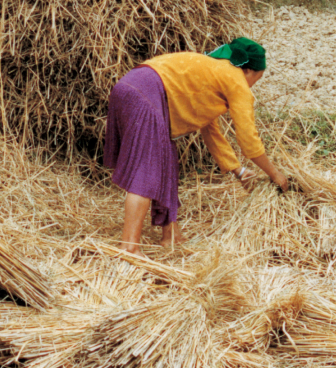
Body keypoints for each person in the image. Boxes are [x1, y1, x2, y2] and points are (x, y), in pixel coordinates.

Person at [103, 36, 288, 252]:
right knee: (146, 172)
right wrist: (275, 174)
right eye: (259, 77)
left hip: (129, 85)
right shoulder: (236, 80)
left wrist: (238, 171)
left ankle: (171, 235)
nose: (254, 84)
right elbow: (248, 139)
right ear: (249, 70)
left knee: (165, 159)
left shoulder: (212, 70)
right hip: (146, 94)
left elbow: (210, 130)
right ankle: (129, 248)